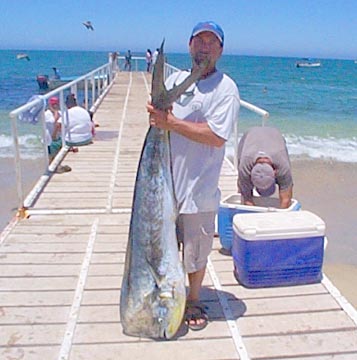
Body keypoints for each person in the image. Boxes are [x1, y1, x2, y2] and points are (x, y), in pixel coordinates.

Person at [147, 21, 240, 331]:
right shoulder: (175, 80)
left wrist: (169, 122)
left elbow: (216, 136)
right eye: (199, 40)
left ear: (221, 50)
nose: (204, 47)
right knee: (163, 245)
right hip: (166, 186)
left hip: (199, 188)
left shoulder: (226, 89)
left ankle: (193, 299)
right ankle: (166, 295)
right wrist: (158, 118)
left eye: (211, 42)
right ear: (189, 46)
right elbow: (161, 122)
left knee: (196, 251)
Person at [237, 126, 293, 209]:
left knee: (285, 185)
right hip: (250, 135)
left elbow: (286, 200)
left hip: (274, 135)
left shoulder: (283, 166)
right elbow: (247, 200)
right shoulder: (245, 166)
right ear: (250, 175)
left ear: (275, 173)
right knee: (243, 187)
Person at [45, 96, 71, 173]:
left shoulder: (61, 113)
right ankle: (50, 169)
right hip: (49, 137)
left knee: (57, 153)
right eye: (53, 104)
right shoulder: (46, 114)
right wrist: (55, 113)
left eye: (56, 104)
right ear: (50, 105)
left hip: (58, 137)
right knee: (50, 154)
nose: (55, 106)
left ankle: (56, 167)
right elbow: (55, 123)